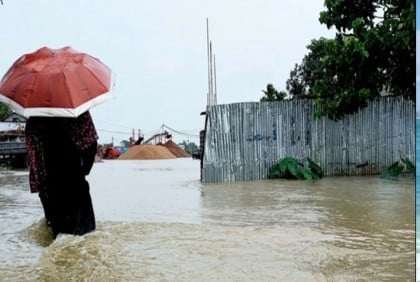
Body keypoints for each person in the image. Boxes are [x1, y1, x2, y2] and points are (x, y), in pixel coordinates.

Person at [25, 111, 98, 238]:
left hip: (49, 184)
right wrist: (84, 171)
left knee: (56, 233)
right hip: (74, 181)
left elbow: (33, 156)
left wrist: (41, 187)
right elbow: (91, 143)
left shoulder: (34, 118)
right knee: (85, 235)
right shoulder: (77, 112)